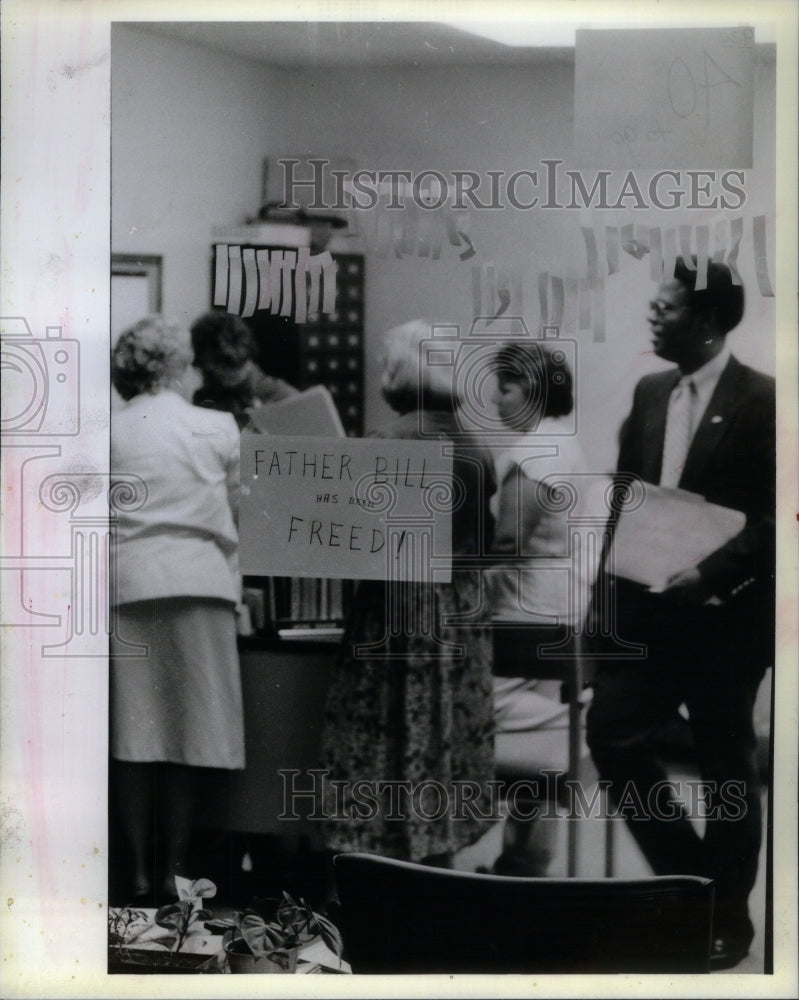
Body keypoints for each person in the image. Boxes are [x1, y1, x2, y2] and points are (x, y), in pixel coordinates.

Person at [586, 260, 775, 970]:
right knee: (609, 735)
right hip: (646, 616)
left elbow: (774, 520)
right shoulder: (649, 390)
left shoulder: (763, 401)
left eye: (663, 309)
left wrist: (710, 573)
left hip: (727, 620)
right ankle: (692, 884)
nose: (651, 318)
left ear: (704, 321)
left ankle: (726, 919)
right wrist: (598, 615)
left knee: (727, 765)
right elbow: (621, 505)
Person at [320, 319, 497, 867]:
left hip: (399, 606)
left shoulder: (387, 442)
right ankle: (438, 865)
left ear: (398, 373)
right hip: (461, 608)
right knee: (443, 739)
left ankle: (375, 869)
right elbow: (486, 541)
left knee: (382, 739)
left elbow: (353, 545)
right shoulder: (476, 445)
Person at [110, 315, 245, 900]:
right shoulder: (217, 426)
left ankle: (136, 873)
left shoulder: (108, 431)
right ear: (178, 367)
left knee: (134, 737)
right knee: (188, 735)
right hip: (201, 584)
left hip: (129, 583)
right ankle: (173, 874)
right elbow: (240, 513)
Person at [485, 342, 606, 875]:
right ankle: (526, 858)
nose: (494, 398)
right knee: (541, 712)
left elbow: (507, 542)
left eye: (505, 387)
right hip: (562, 614)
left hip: (524, 614)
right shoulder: (565, 445)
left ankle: (578, 718)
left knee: (475, 703)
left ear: (532, 392)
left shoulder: (533, 455)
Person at [190, 311, 297, 429]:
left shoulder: (282, 396)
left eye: (235, 365)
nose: (229, 373)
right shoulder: (203, 401)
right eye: (220, 365)